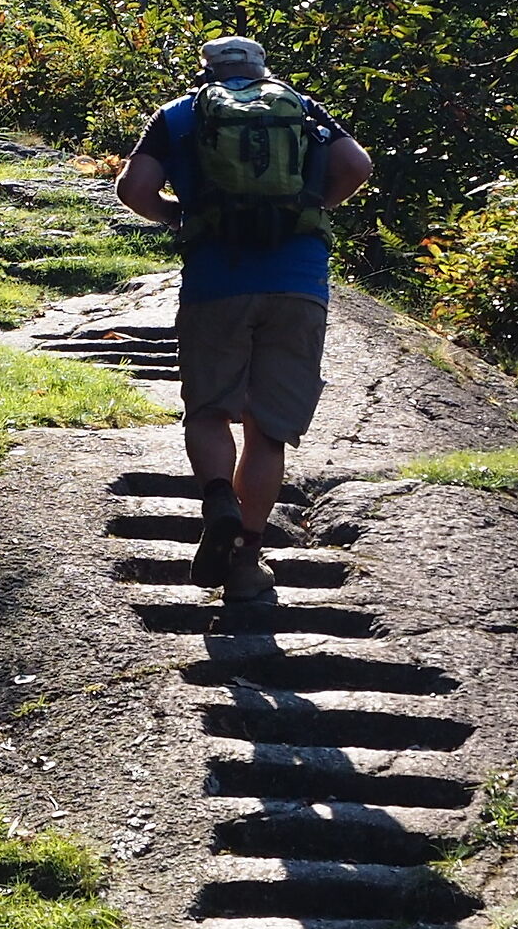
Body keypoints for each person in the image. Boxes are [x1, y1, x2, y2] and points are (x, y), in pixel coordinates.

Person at [114, 36, 373, 600]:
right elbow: (357, 164)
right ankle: (247, 557)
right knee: (268, 430)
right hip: (298, 283)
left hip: (217, 282)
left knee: (209, 410)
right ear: (263, 69)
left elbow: (133, 187)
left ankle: (218, 503)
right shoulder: (301, 108)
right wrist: (312, 209)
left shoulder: (179, 114)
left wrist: (178, 217)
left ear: (205, 72)